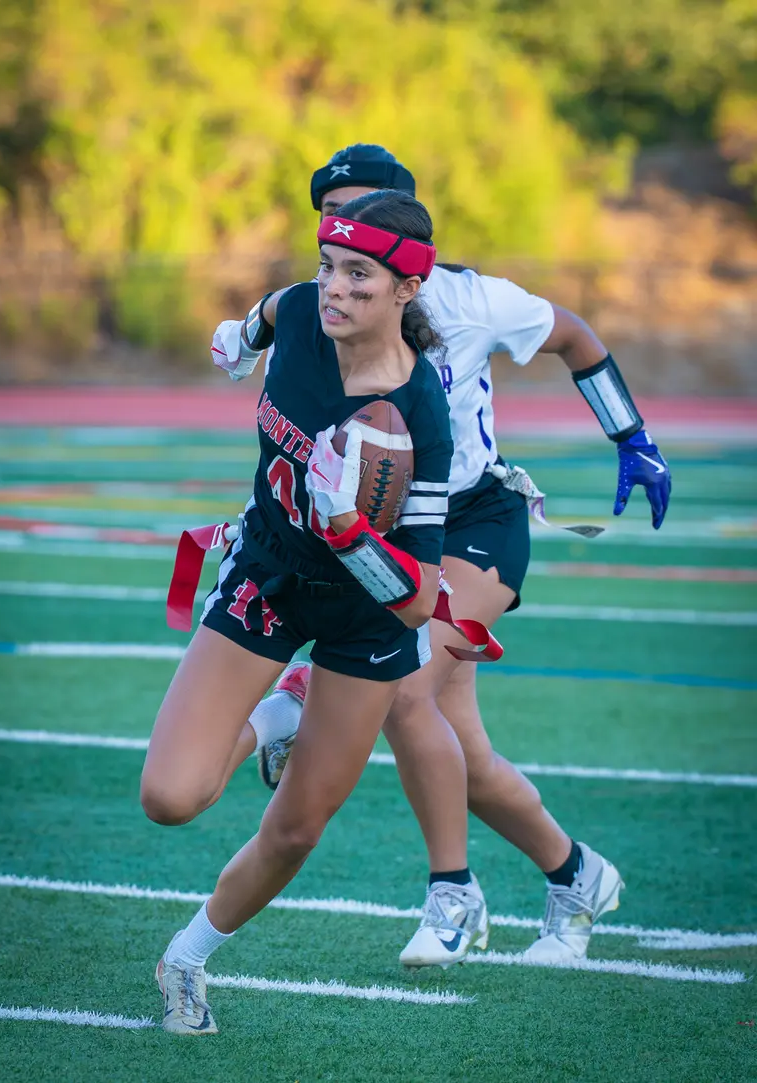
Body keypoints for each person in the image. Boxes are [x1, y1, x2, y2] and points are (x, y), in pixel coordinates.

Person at [209, 144, 672, 970]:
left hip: (474, 519)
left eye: (358, 214)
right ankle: (577, 875)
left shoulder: (471, 299)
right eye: (329, 222)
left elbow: (574, 335)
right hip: (387, 533)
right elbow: (268, 342)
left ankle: (453, 893)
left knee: (406, 688)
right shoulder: (323, 304)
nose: (341, 236)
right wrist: (241, 342)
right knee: (467, 756)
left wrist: (630, 435)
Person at [142, 189, 475, 1036]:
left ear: (407, 288)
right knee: (172, 796)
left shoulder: (421, 415)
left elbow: (416, 602)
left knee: (294, 829)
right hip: (270, 572)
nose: (334, 287)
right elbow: (267, 311)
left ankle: (186, 957)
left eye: (359, 274)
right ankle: (282, 712)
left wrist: (348, 528)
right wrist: (238, 335)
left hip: (368, 615)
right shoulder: (298, 310)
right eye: (328, 265)